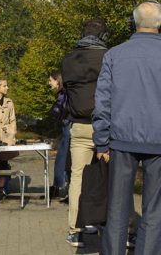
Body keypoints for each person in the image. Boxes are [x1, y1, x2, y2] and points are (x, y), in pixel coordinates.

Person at [93, 0, 161, 255]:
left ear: (134, 22)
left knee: (118, 208)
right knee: (155, 211)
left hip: (120, 140)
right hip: (158, 142)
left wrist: (101, 141)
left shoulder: (114, 55)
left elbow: (103, 101)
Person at [61, 18, 109, 247]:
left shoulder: (69, 59)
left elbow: (67, 88)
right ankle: (122, 227)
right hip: (107, 126)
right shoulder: (109, 57)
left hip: (79, 125)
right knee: (112, 176)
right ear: (103, 36)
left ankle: (75, 229)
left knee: (77, 177)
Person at [48, 70, 70, 200]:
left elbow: (61, 111)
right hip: (65, 129)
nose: (49, 83)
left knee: (64, 159)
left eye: (51, 80)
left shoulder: (63, 95)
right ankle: (60, 187)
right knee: (63, 158)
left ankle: (61, 187)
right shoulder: (64, 94)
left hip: (67, 128)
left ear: (57, 80)